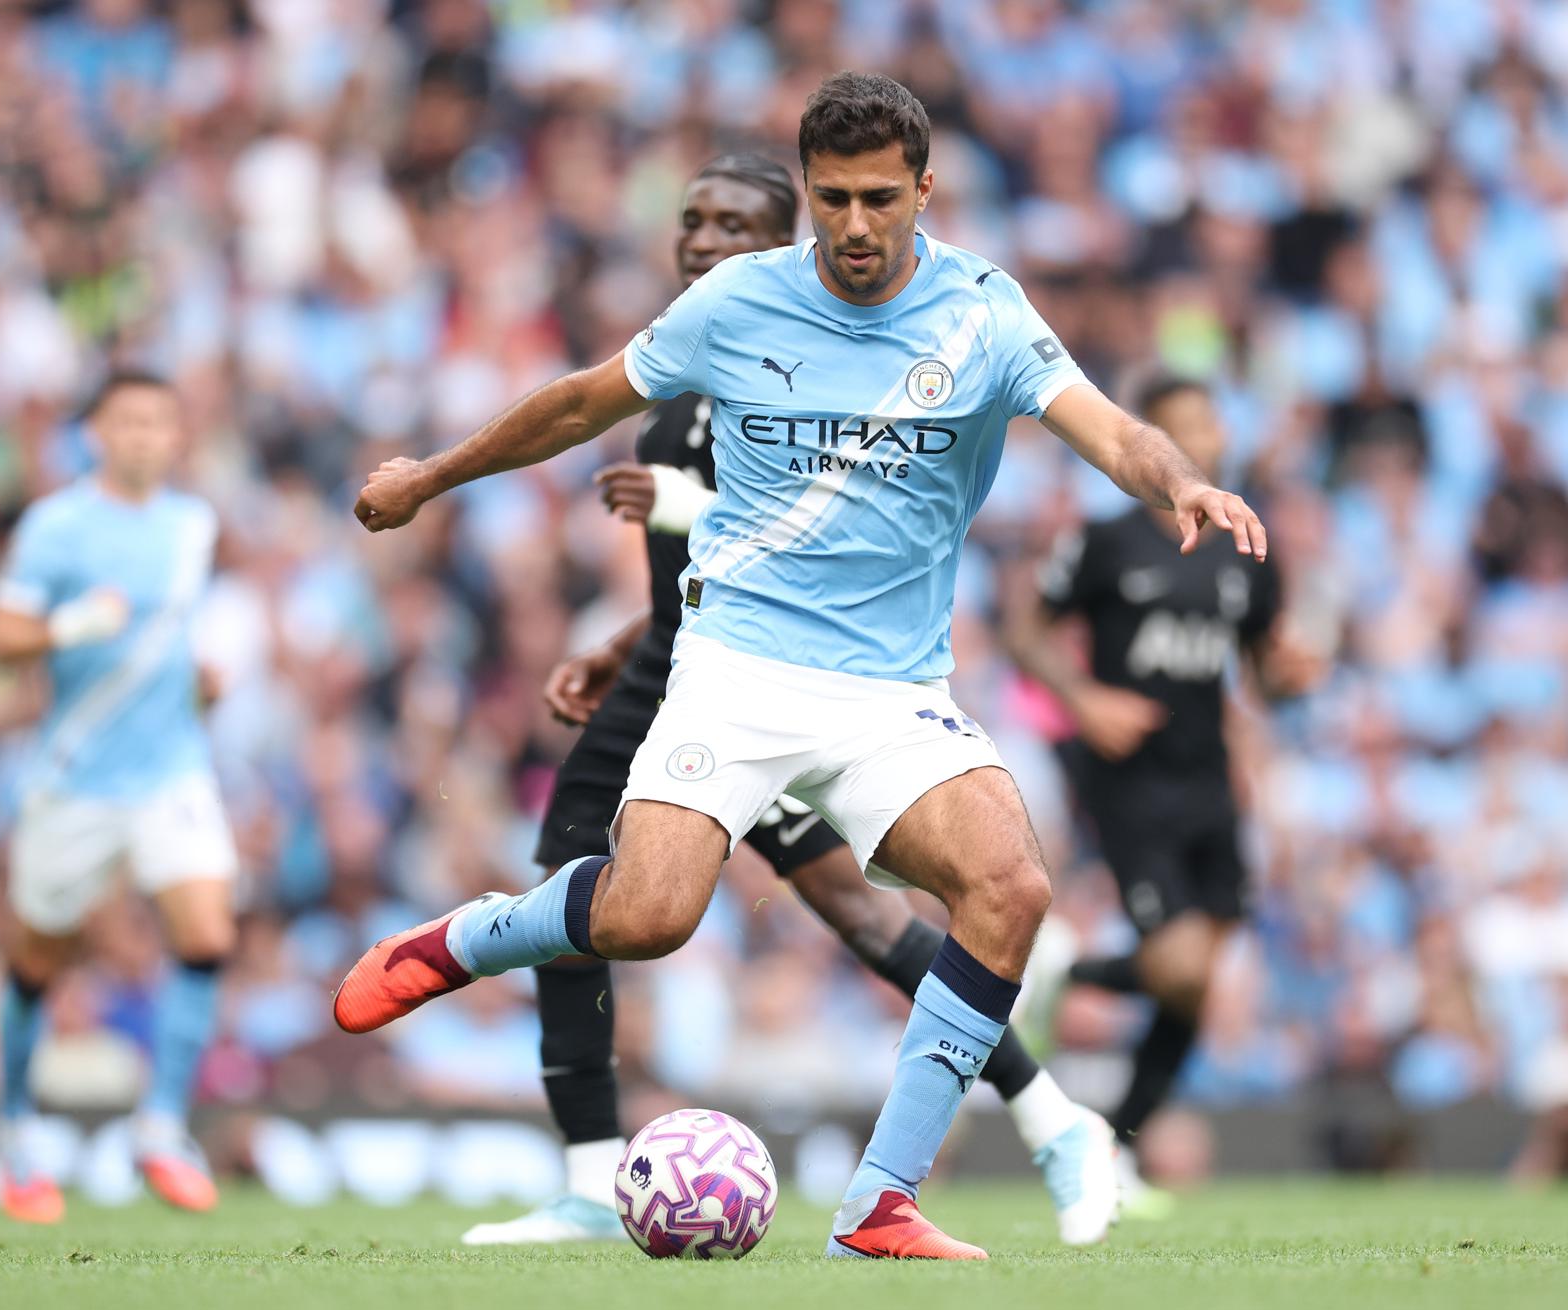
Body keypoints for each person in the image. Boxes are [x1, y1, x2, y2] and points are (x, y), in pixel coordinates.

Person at [335, 72, 1265, 1260]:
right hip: (739, 666)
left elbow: (1112, 431)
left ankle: (880, 1200)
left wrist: (1180, 481)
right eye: (833, 199)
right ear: (808, 193)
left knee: (1011, 888)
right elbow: (576, 406)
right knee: (647, 916)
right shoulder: (737, 301)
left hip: (891, 693)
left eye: (881, 197)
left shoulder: (984, 312)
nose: (856, 225)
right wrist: (428, 477)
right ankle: (466, 939)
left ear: (925, 189)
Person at [459, 154, 1120, 1250]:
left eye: (734, 226)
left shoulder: (802, 363)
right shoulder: (684, 371)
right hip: (682, 671)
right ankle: (586, 1173)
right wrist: (620, 641)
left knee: (860, 915)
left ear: (780, 247)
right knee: (590, 868)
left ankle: (1046, 1116)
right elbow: (723, 554)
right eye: (693, 219)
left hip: (792, 685)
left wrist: (677, 508)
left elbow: (804, 520)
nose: (705, 240)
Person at [1005, 374, 1317, 1211]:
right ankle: (1069, 976)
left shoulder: (1247, 546)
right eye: (1178, 429)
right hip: (1132, 782)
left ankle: (1115, 1144)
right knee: (1179, 966)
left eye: (1206, 424)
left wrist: (1288, 679)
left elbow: (1261, 671)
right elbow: (1026, 631)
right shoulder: (1105, 542)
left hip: (1210, 778)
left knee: (1198, 983)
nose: (1198, 441)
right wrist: (1083, 700)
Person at [0, 370, 237, 1222]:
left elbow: (170, 642)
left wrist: (202, 686)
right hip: (77, 777)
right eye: (127, 421)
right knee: (37, 961)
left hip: (173, 768)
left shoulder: (193, 525)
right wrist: (68, 626)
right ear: (95, 433)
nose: (143, 436)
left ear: (177, 436)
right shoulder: (56, 526)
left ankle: (160, 1126)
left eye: (158, 422)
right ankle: (14, 1126)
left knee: (207, 935)